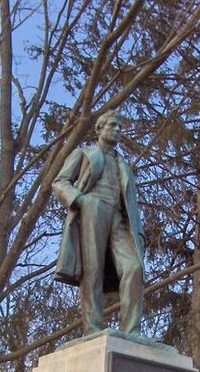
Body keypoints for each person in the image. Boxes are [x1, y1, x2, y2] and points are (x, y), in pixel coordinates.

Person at [52, 110, 144, 336]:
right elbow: (60, 181)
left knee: (134, 267)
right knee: (92, 269)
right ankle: (93, 327)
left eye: (120, 127)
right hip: (93, 208)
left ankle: (131, 330)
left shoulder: (122, 163)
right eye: (112, 125)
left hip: (120, 217)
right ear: (99, 129)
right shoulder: (84, 153)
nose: (117, 130)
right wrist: (80, 200)